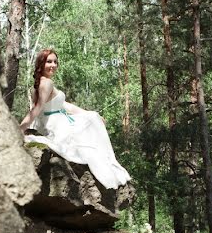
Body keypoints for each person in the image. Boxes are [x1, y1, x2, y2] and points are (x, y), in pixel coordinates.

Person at [20, 49, 131, 190]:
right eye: (49, 62)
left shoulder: (42, 83)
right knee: (91, 139)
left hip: (56, 122)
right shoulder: (46, 83)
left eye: (55, 62)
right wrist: (20, 129)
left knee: (92, 118)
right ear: (41, 63)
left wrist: (90, 114)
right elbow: (36, 109)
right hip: (57, 125)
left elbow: (64, 105)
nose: (53, 65)